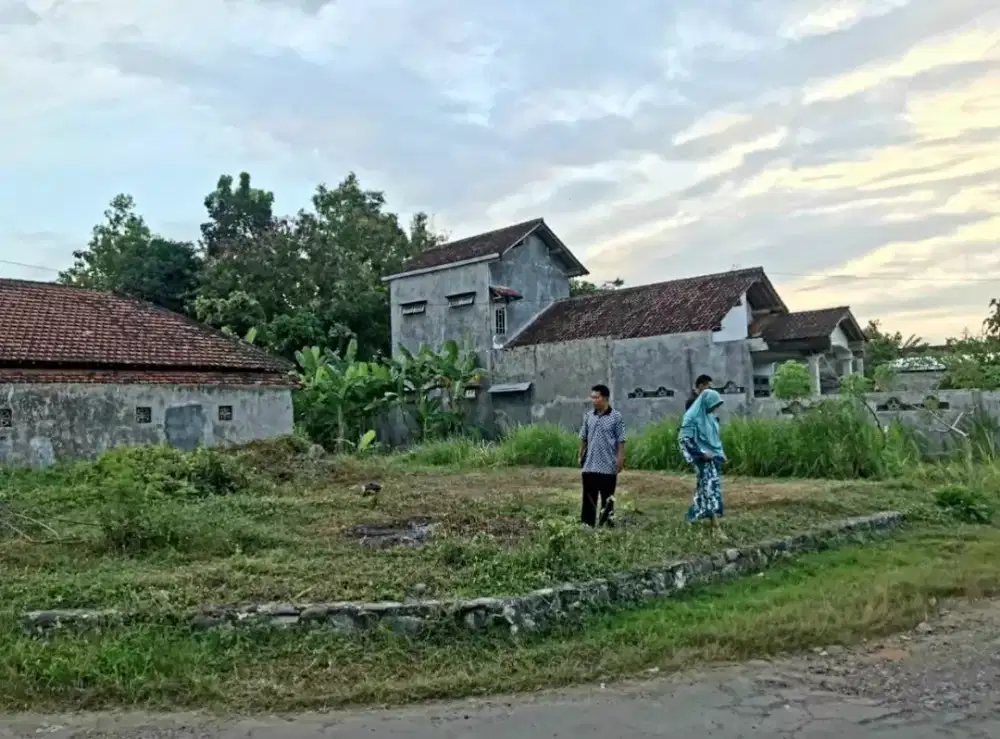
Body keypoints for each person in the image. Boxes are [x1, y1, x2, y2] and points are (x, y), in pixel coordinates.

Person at [678, 388, 727, 540]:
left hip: (713, 457)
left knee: (705, 488)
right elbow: (684, 439)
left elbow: (714, 438)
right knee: (710, 489)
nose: (715, 408)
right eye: (714, 404)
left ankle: (692, 516)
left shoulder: (709, 417)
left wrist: (716, 453)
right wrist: (701, 454)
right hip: (701, 458)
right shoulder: (691, 417)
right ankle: (716, 527)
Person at [578, 384, 626, 527]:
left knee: (607, 498)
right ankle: (587, 524)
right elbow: (583, 438)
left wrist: (620, 458)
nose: (593, 400)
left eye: (596, 397)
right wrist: (580, 455)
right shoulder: (589, 416)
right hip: (590, 465)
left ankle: (606, 524)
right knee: (588, 497)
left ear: (605, 398)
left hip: (608, 465)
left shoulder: (616, 417)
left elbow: (620, 440)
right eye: (592, 397)